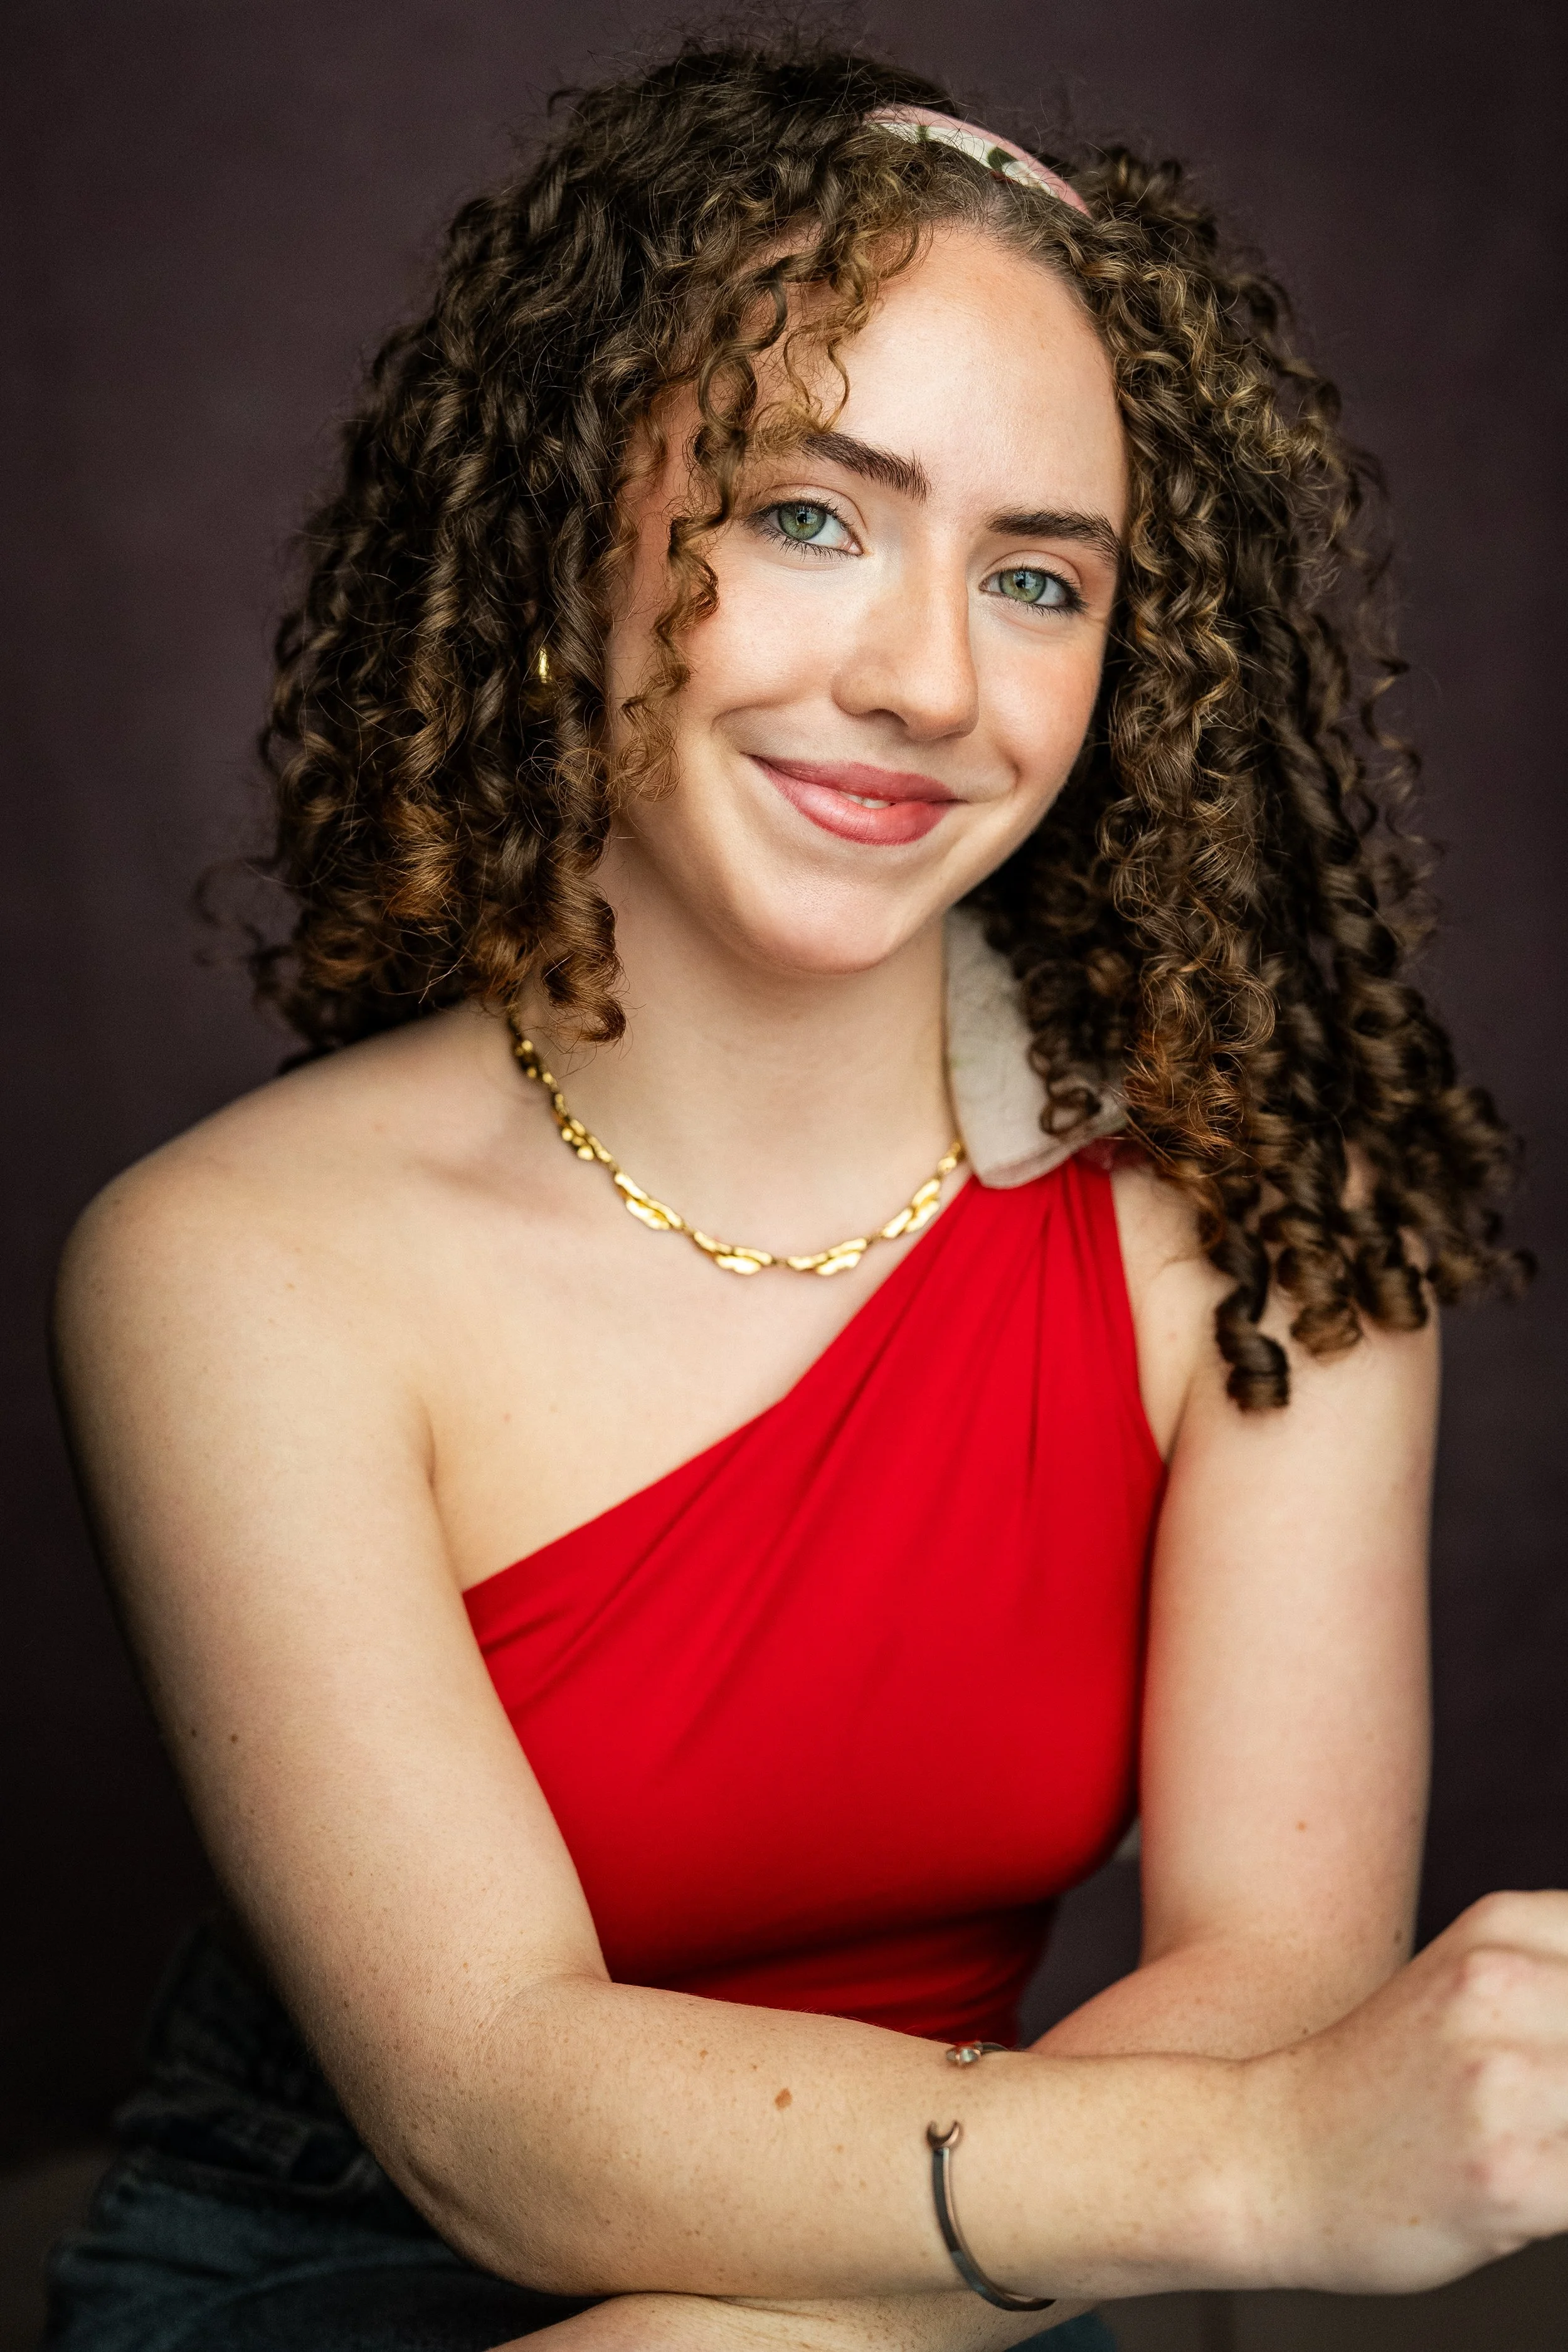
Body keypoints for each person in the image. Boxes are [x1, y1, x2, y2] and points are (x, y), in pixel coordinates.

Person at [43, 33, 1563, 2352]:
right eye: (809, 517)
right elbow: (490, 2098)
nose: (930, 679)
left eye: (1036, 579)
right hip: (336, 2255)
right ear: (573, 530)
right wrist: (1259, 2167)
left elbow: (1266, 1976)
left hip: (1009, 2242)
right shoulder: (224, 1267)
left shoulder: (1275, 1222)